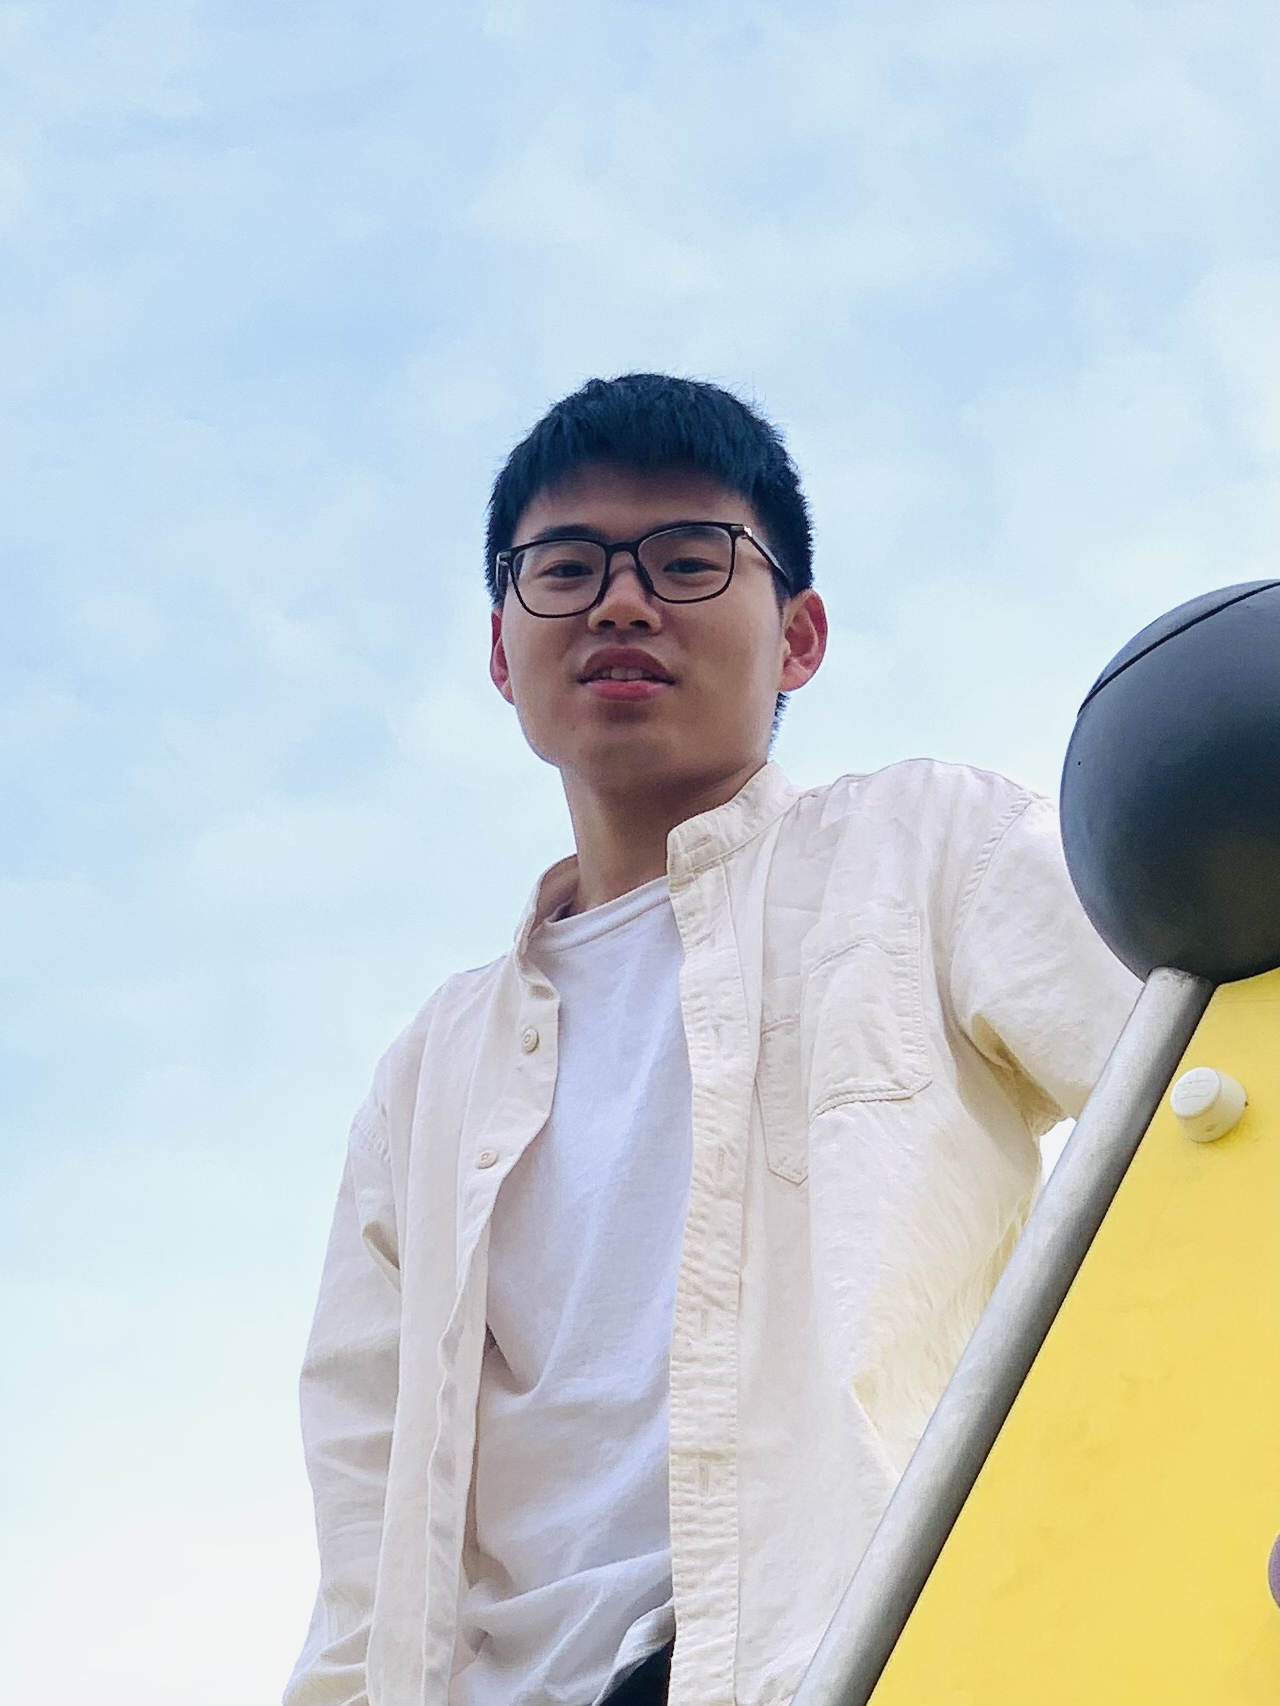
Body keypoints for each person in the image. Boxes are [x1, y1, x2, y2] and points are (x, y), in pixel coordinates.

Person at [284, 374, 1138, 1706]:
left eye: (687, 558)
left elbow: (1209, 1080)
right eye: (564, 566)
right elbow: (363, 1519)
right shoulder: (427, 1072)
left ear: (799, 636)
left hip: (837, 1655)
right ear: (504, 652)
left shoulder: (931, 852)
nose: (622, 600)